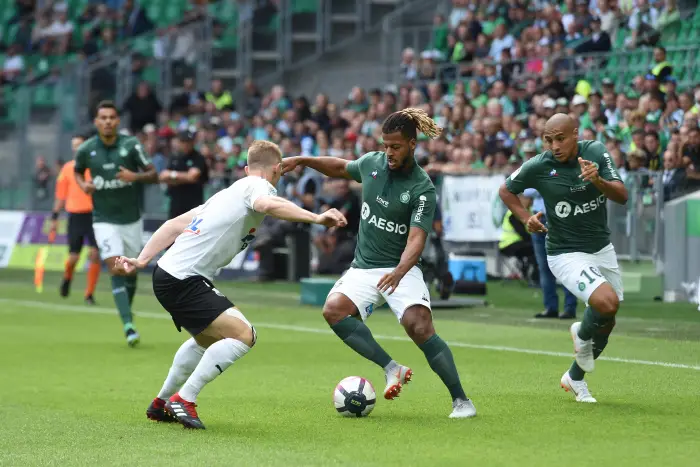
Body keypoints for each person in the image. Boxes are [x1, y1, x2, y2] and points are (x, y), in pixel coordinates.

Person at [113, 140, 347, 429]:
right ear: (276, 171)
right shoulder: (257, 187)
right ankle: (184, 399)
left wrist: (141, 259)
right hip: (184, 278)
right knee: (244, 335)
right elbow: (266, 203)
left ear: (248, 167)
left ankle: (161, 403)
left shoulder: (226, 194)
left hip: (168, 275)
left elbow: (174, 224)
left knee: (206, 339)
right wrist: (316, 217)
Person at [281, 108, 476, 419]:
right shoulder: (373, 163)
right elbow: (340, 167)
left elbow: (416, 240)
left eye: (395, 146)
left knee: (419, 326)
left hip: (402, 268)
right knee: (333, 310)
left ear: (413, 144)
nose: (388, 153)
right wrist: (305, 161)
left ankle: (462, 401)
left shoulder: (422, 188)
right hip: (364, 268)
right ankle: (392, 368)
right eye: (385, 145)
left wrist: (399, 272)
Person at [498, 113, 628, 404]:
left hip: (601, 248)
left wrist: (598, 181)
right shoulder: (540, 166)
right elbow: (506, 190)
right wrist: (525, 217)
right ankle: (580, 332)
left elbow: (622, 195)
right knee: (607, 302)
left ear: (575, 135)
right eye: (549, 139)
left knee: (607, 322)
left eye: (560, 138)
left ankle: (575, 378)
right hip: (564, 252)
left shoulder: (594, 152)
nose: (554, 145)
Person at [74, 101, 158, 347]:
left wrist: (135, 177)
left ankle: (126, 311)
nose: (108, 121)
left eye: (112, 117)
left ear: (118, 121)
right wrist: (83, 185)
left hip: (131, 219)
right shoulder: (87, 149)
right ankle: (128, 325)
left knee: (130, 270)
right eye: (103, 117)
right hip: (103, 219)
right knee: (115, 266)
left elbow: (153, 173)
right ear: (96, 122)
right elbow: (78, 172)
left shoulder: (131, 145)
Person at [51, 134, 101, 305]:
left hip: (94, 215)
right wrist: (54, 217)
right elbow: (60, 196)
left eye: (80, 145)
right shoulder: (67, 169)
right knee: (73, 257)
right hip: (75, 216)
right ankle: (67, 278)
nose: (77, 148)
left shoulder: (95, 167)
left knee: (95, 254)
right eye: (74, 145)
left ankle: (89, 294)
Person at [522, 188, 577, 319]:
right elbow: (526, 191)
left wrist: (541, 185)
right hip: (538, 219)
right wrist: (545, 186)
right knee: (544, 267)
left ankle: (570, 307)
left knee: (566, 264)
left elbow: (561, 188)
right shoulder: (535, 167)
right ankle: (550, 307)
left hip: (560, 218)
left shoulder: (562, 168)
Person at [159, 129, 209, 219]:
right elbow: (163, 176)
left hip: (193, 204)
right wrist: (182, 178)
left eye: (188, 142)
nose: (186, 144)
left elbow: (192, 177)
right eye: (183, 141)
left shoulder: (198, 157)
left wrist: (173, 176)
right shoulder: (174, 157)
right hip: (176, 203)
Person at [498, 194, 537, 285]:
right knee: (537, 250)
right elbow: (523, 233)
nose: (531, 202)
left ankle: (530, 274)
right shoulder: (514, 213)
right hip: (508, 245)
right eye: (528, 198)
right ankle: (534, 279)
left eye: (531, 199)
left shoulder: (530, 212)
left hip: (520, 243)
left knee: (536, 249)